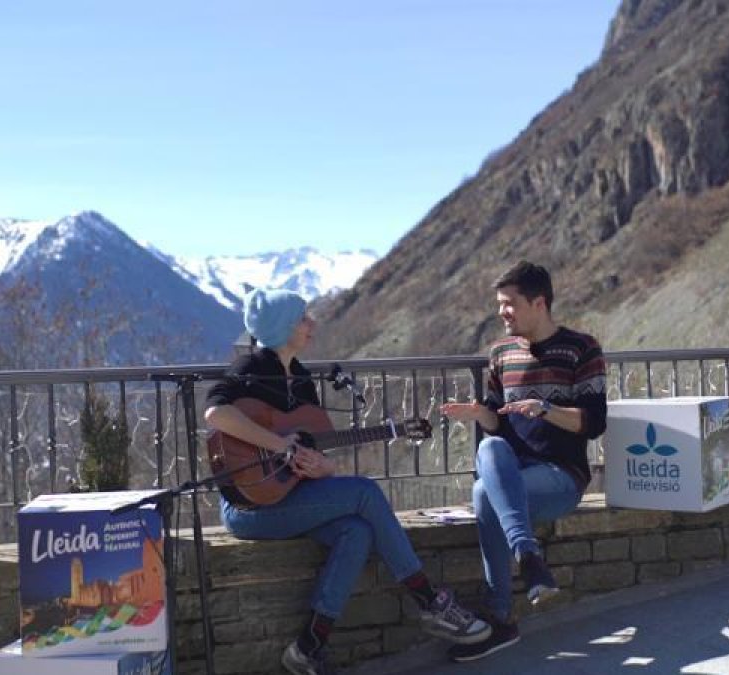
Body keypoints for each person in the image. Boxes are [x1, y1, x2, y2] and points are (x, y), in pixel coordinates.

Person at [204, 288, 490, 675]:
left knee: (356, 531)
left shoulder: (301, 380)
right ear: (283, 326)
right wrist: (279, 444)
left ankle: (308, 647)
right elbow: (216, 415)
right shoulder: (250, 369)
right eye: (303, 318)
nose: (312, 324)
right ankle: (430, 601)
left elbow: (315, 452)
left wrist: (322, 469)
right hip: (248, 507)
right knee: (365, 491)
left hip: (286, 498)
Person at [440, 260, 607, 662]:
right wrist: (481, 415)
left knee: (484, 493)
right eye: (499, 305)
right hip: (512, 472)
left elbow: (595, 423)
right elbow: (497, 423)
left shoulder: (581, 349)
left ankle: (499, 617)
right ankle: (528, 559)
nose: (502, 313)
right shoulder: (499, 355)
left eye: (509, 304)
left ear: (539, 302)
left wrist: (545, 409)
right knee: (488, 452)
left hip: (560, 477)